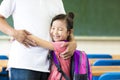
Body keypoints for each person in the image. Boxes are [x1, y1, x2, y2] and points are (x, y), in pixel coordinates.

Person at [0, 0, 76, 80]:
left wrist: (73, 42)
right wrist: (14, 33)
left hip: (51, 65)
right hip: (24, 64)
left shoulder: (57, 1)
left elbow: (65, 25)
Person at [27, 12, 75, 80]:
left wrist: (23, 35)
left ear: (68, 32)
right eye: (53, 28)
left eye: (60, 29)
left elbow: (39, 42)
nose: (55, 32)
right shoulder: (62, 44)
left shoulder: (62, 45)